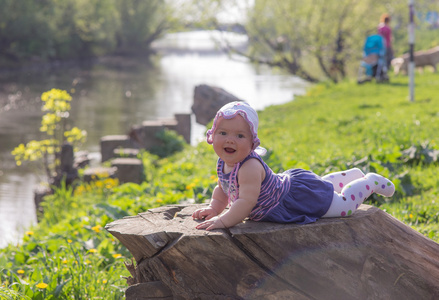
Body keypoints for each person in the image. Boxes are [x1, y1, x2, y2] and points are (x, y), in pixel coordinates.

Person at [192, 101, 395, 230]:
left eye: (240, 135)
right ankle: (351, 175)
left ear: (252, 142)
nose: (230, 140)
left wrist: (224, 221)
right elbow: (222, 189)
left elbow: (245, 202)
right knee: (322, 188)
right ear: (212, 135)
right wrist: (214, 208)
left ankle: (370, 182)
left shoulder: (249, 167)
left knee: (342, 207)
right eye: (223, 133)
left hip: (289, 200)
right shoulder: (224, 163)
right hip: (288, 186)